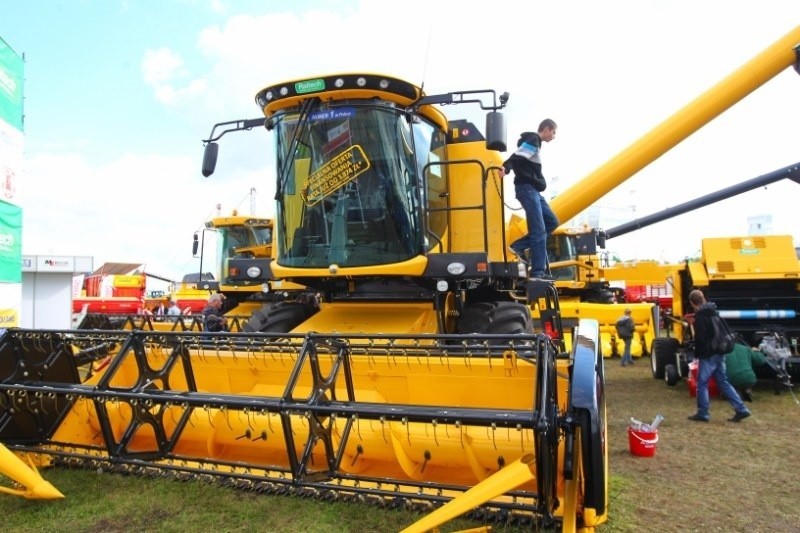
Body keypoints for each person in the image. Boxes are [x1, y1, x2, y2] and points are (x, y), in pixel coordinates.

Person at [499, 119, 560, 279]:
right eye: (553, 132)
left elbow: (520, 157)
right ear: (546, 129)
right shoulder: (533, 139)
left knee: (552, 222)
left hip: (534, 191)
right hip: (527, 189)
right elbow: (517, 157)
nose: (554, 136)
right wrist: (506, 167)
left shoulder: (535, 143)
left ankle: (518, 246)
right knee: (538, 230)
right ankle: (538, 273)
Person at [687, 289, 751, 423]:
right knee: (723, 382)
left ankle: (703, 413)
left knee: (702, 383)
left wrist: (697, 353)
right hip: (720, 351)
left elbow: (700, 339)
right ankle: (741, 409)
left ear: (692, 303)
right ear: (703, 299)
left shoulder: (701, 316)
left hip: (708, 354)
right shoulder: (714, 312)